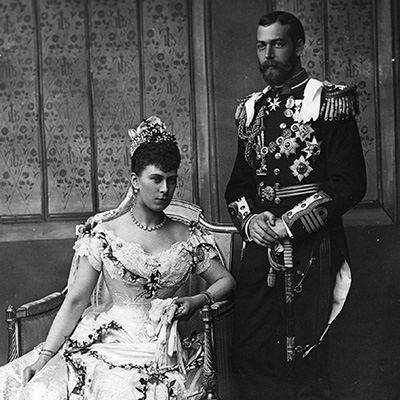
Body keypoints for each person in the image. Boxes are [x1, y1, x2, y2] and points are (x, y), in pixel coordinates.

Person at [0, 116, 235, 399]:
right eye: (156, 179)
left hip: (163, 348)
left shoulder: (188, 235)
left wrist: (197, 301)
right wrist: (45, 356)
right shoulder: (104, 233)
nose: (165, 190)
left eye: (171, 181)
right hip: (109, 339)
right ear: (135, 181)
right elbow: (75, 300)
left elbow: (225, 280)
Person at [225, 11, 366, 400]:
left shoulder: (328, 102)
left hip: (313, 248)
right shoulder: (252, 110)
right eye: (261, 45)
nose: (268, 54)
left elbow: (350, 184)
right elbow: (237, 186)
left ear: (299, 46)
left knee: (305, 358)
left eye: (278, 44)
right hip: (260, 249)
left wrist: (290, 224)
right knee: (250, 352)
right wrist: (250, 221)